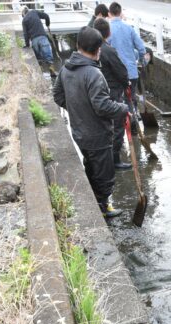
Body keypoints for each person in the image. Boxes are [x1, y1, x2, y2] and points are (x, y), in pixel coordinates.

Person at [53, 26, 129, 218]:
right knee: (104, 172)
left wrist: (78, 109)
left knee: (90, 164)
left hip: (78, 130)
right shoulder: (93, 74)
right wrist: (122, 108)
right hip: (97, 134)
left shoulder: (66, 68)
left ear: (78, 45)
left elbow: (58, 96)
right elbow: (102, 106)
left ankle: (95, 200)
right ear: (98, 50)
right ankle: (103, 207)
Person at [93, 18, 131, 170]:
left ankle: (106, 158)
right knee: (117, 127)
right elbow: (121, 72)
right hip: (112, 92)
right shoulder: (108, 50)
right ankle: (114, 160)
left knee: (103, 126)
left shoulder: (93, 48)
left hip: (98, 92)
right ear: (108, 33)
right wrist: (126, 83)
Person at [108, 1, 145, 127]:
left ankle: (125, 124)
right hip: (131, 71)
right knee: (131, 97)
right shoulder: (129, 28)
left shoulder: (108, 30)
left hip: (116, 73)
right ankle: (134, 119)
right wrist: (141, 60)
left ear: (109, 14)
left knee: (118, 99)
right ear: (121, 13)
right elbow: (141, 48)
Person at [21, 6, 55, 74]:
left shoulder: (24, 20)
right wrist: (47, 24)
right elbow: (46, 16)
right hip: (43, 37)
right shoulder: (34, 12)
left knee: (39, 58)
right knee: (48, 56)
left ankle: (41, 71)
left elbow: (25, 34)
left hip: (34, 41)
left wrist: (27, 45)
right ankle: (52, 71)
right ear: (28, 9)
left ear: (23, 13)